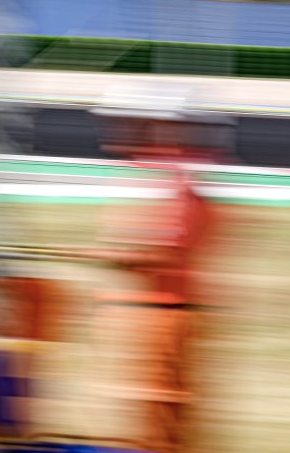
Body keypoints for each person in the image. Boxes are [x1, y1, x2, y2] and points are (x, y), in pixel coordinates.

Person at [83, 84, 231, 453]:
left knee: (161, 420)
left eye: (123, 121)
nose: (114, 130)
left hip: (164, 315)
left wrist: (104, 255)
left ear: (152, 124)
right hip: (147, 313)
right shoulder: (155, 173)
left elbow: (164, 253)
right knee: (147, 417)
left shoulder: (173, 178)